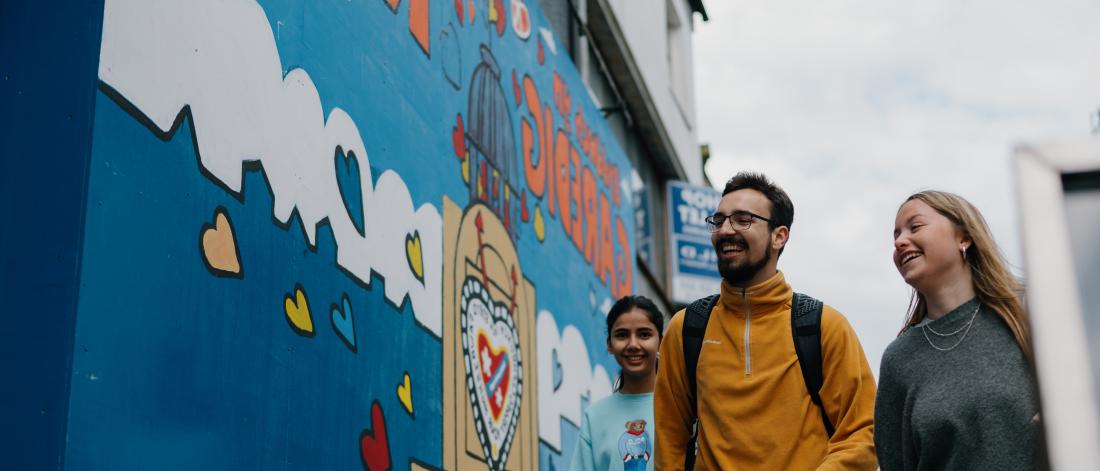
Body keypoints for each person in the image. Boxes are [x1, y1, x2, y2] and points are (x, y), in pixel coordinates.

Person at [654, 172, 878, 470]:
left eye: (743, 219)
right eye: (718, 221)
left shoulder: (824, 326)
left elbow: (863, 433)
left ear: (779, 236)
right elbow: (670, 438)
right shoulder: (686, 328)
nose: (725, 230)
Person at [875, 191, 1039, 470]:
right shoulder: (899, 360)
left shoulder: (1030, 310)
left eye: (915, 227)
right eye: (896, 235)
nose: (900, 241)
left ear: (963, 237)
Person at [571, 295, 665, 471]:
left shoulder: (682, 408)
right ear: (610, 345)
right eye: (622, 335)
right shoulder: (595, 418)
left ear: (661, 341)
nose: (633, 344)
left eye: (644, 334)